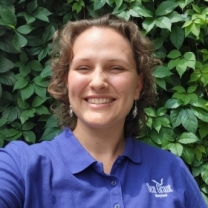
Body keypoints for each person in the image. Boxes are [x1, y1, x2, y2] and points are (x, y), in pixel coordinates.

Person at [0, 14, 207, 208]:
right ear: (67, 81)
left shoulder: (171, 171)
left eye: (116, 68)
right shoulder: (19, 167)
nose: (98, 82)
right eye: (83, 68)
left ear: (137, 86)